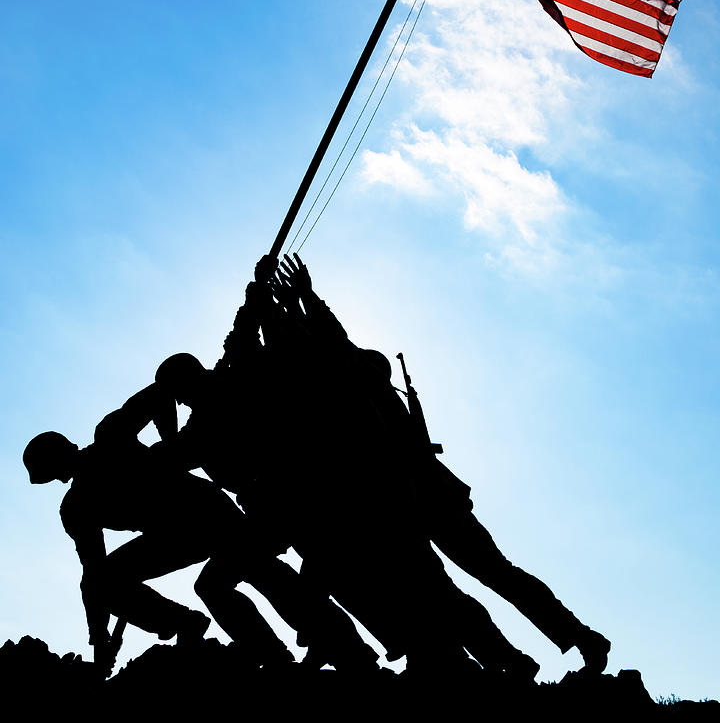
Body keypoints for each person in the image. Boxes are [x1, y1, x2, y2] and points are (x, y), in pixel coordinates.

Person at [271, 253, 611, 674]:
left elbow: (331, 346)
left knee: (489, 577)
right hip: (411, 504)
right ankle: (528, 652)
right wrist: (289, 305)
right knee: (461, 586)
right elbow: (320, 350)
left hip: (426, 500)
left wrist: (303, 300)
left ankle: (570, 640)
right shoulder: (366, 396)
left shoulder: (371, 394)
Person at [22, 393, 300, 676]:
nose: (55, 476)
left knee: (253, 572)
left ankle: (306, 641)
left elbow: (161, 395)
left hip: (204, 510)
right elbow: (95, 574)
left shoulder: (109, 438)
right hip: (176, 536)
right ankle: (192, 626)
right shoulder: (76, 508)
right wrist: (99, 636)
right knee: (111, 582)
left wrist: (170, 448)